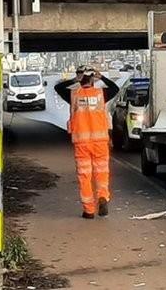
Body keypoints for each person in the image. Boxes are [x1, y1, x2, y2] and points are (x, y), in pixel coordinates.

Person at [54, 66, 120, 218]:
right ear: (92, 79)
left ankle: (89, 211)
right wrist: (101, 77)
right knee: (102, 173)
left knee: (84, 176)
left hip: (82, 143)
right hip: (100, 142)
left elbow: (58, 87)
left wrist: (74, 80)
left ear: (80, 77)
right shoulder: (101, 93)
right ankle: (103, 197)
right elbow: (115, 88)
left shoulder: (73, 94)